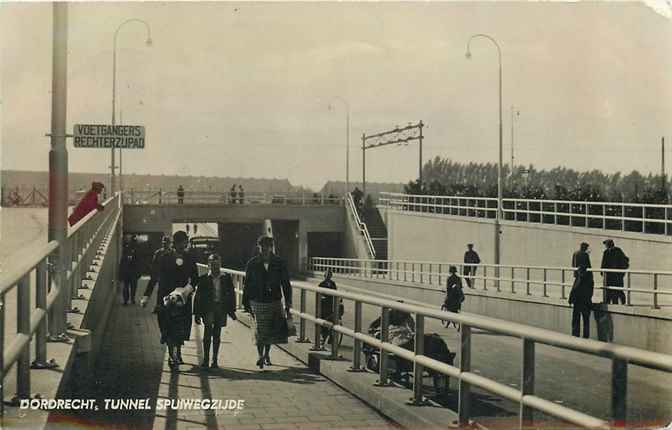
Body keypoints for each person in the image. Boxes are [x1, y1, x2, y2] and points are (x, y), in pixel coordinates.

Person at [140, 231, 198, 368]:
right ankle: (173, 353)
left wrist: (188, 289)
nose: (184, 245)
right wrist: (146, 296)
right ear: (178, 243)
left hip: (182, 298)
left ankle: (175, 353)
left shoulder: (189, 258)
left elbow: (195, 278)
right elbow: (154, 277)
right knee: (167, 326)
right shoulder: (164, 258)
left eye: (185, 243)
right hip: (166, 297)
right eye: (183, 243)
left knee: (180, 327)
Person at [242, 235, 292, 369]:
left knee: (269, 331)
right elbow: (246, 284)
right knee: (259, 330)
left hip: (274, 300)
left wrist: (288, 302)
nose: (265, 249)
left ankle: (267, 354)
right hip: (257, 301)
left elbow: (286, 283)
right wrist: (245, 302)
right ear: (259, 247)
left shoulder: (279, 262)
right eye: (262, 246)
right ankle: (260, 356)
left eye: (268, 246)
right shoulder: (252, 263)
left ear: (271, 247)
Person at [194, 254, 237, 369]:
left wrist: (232, 310)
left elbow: (231, 294)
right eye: (212, 265)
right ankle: (206, 359)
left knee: (217, 334)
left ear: (220, 265)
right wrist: (197, 314)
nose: (215, 267)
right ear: (208, 265)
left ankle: (214, 360)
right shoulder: (203, 279)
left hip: (220, 308)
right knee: (207, 332)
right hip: (208, 308)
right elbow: (198, 297)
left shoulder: (226, 278)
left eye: (217, 265)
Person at [570, 242, 594, 338]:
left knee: (576, 317)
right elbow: (591, 287)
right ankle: (586, 335)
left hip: (578, 300)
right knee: (585, 318)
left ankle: (575, 334)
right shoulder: (585, 255)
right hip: (585, 300)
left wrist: (571, 299)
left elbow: (574, 290)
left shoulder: (575, 253)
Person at [318, 269, 343, 347]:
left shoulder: (333, 284)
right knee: (324, 321)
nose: (328, 277)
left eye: (329, 275)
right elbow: (319, 295)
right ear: (324, 276)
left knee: (333, 320)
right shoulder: (321, 284)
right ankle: (323, 336)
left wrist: (339, 299)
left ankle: (331, 338)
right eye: (327, 275)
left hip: (331, 305)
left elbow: (335, 293)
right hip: (324, 306)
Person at [600, 239, 629, 305]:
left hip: (614, 276)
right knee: (613, 290)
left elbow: (604, 263)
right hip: (613, 276)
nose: (605, 246)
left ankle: (617, 303)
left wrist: (621, 273)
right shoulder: (610, 252)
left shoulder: (614, 251)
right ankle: (613, 303)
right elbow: (603, 263)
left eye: (606, 244)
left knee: (615, 290)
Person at [119, 235, 141, 305]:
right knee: (133, 287)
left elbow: (122, 261)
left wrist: (121, 272)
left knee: (126, 286)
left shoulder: (126, 249)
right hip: (133, 272)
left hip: (127, 271)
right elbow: (139, 262)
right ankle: (132, 299)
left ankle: (126, 300)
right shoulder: (137, 250)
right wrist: (139, 272)